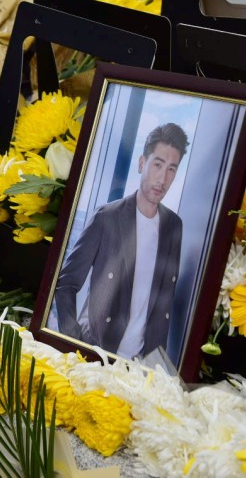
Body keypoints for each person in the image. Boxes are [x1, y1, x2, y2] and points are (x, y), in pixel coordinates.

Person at [52, 123, 187, 360]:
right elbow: (66, 283)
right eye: (157, 165)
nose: (163, 178)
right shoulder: (107, 217)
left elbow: (162, 301)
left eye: (171, 169)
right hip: (98, 351)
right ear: (142, 163)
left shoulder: (173, 226)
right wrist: (72, 339)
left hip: (142, 365)